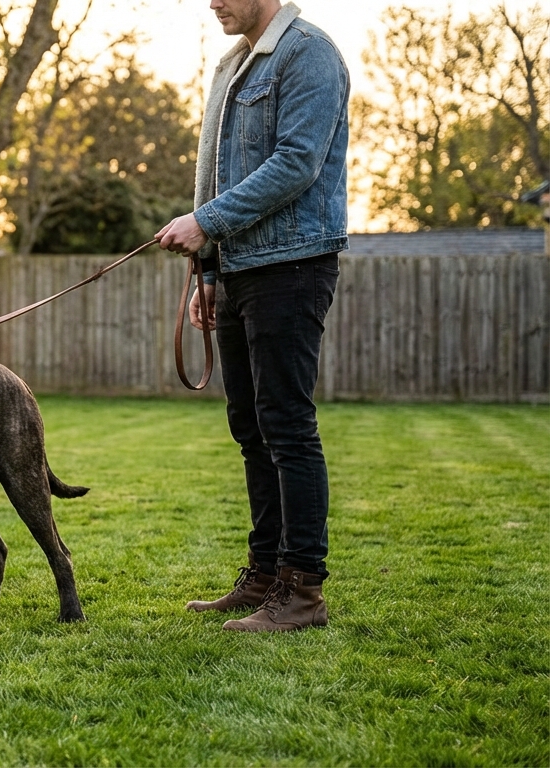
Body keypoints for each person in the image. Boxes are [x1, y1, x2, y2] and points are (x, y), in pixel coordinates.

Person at [155, 0, 348, 632]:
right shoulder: (232, 65)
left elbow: (296, 164)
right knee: (251, 427)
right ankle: (264, 575)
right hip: (236, 271)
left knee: (287, 426)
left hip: (292, 265)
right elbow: (212, 176)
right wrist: (208, 273)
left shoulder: (308, 54)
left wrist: (205, 224)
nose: (212, 1)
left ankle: (302, 593)